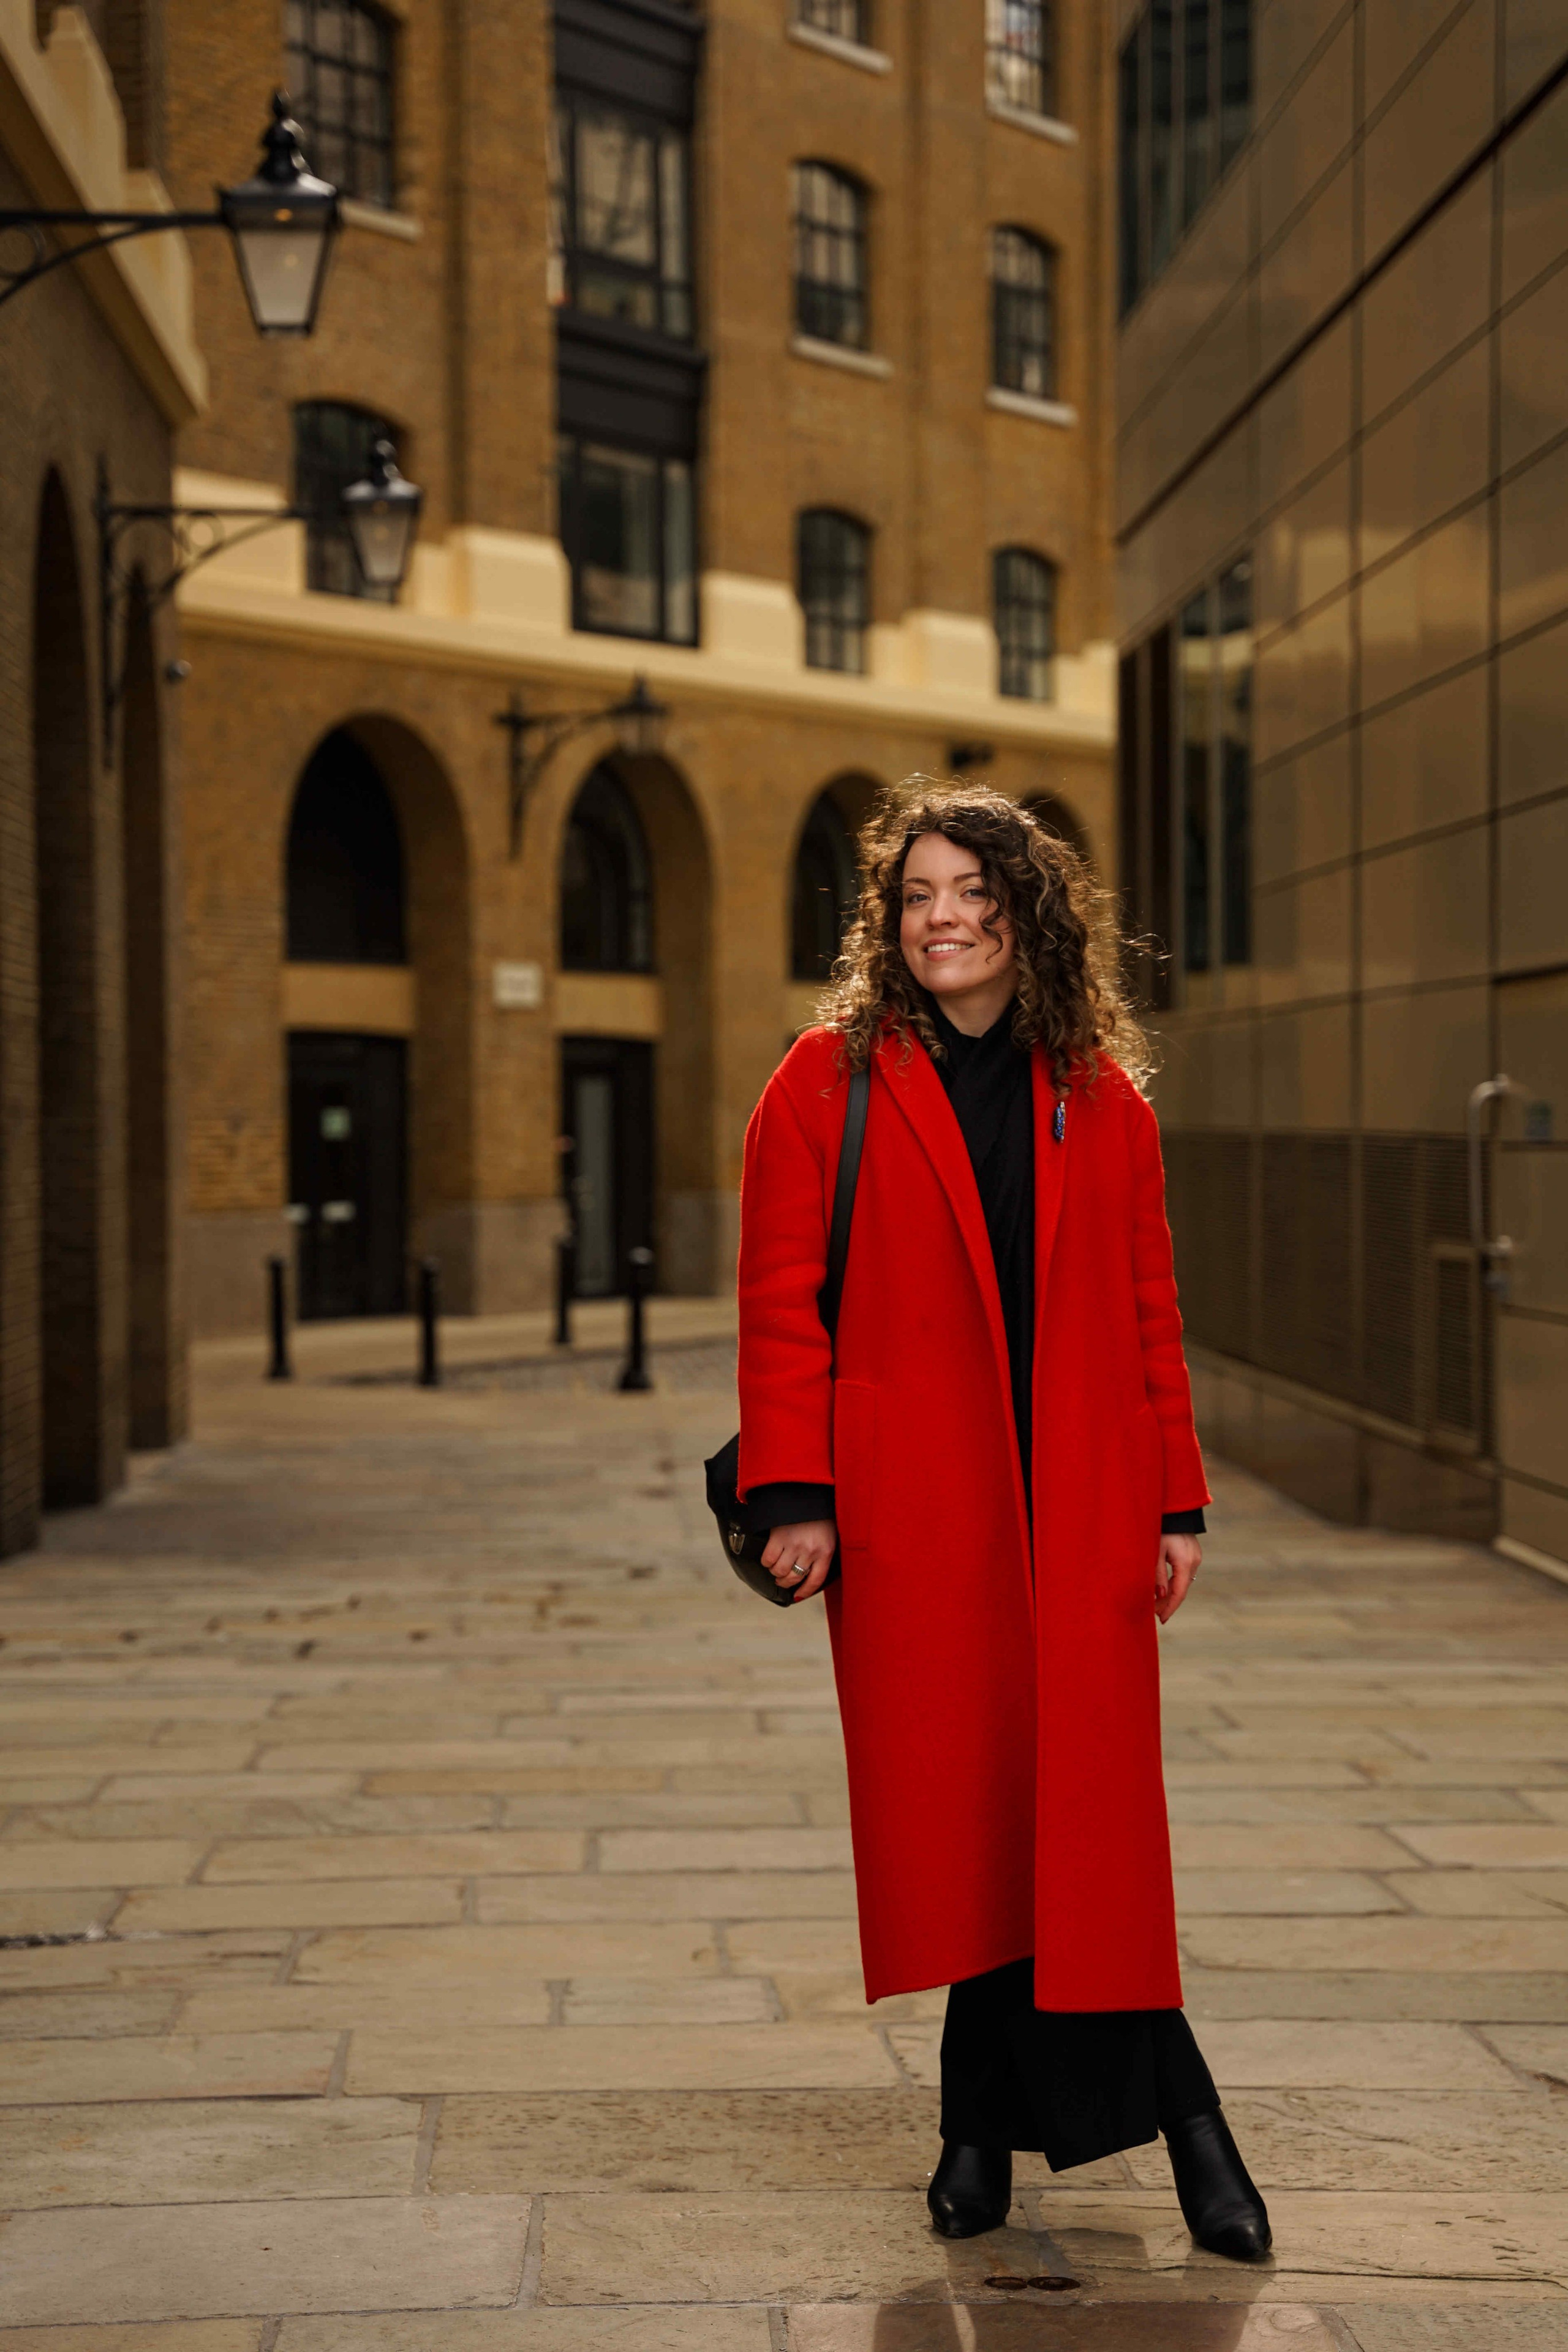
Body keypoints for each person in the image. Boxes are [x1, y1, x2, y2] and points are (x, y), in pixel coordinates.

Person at [733, 781, 1270, 2261]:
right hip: (917, 1520)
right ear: (884, 922)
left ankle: (1003, 2134)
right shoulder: (818, 1084)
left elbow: (1152, 1314)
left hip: (1085, 1508)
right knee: (976, 1817)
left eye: (970, 893)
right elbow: (780, 1302)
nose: (941, 919)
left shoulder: (1099, 1098)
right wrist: (792, 1492)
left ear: (1028, 917)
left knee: (1082, 1832)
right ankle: (1116, 2139)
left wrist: (1175, 1496)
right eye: (915, 896)